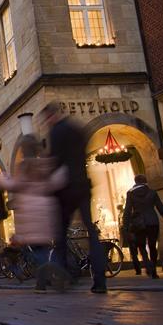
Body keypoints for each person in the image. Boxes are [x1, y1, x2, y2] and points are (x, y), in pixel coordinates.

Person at [42, 103, 107, 293]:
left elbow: (55, 161)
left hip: (65, 190)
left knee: (60, 235)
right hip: (83, 185)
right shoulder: (77, 129)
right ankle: (100, 280)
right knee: (92, 233)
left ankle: (63, 277)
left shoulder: (56, 132)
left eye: (46, 118)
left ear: (51, 116)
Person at [0, 134, 68, 291]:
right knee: (46, 247)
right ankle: (42, 282)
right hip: (46, 208)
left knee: (36, 250)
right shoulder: (45, 164)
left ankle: (50, 268)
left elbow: (14, 185)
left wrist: (2, 179)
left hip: (29, 210)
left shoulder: (24, 167)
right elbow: (55, 182)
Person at [123, 174, 163, 279]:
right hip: (152, 221)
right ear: (145, 181)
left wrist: (125, 225)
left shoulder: (130, 193)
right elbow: (160, 207)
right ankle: (153, 269)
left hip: (138, 223)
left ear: (135, 182)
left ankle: (147, 264)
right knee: (153, 246)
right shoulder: (152, 192)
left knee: (141, 245)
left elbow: (127, 210)